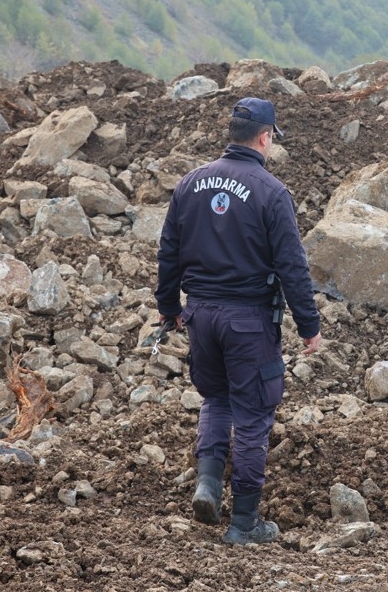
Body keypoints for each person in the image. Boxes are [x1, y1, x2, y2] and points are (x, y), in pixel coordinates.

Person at [155, 97, 322, 545]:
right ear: (265, 138)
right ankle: (244, 523)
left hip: (201, 316)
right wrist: (309, 325)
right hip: (248, 321)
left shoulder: (189, 184)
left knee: (216, 399)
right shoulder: (272, 192)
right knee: (252, 417)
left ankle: (208, 486)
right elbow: (292, 267)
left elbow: (168, 251)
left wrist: (168, 307)